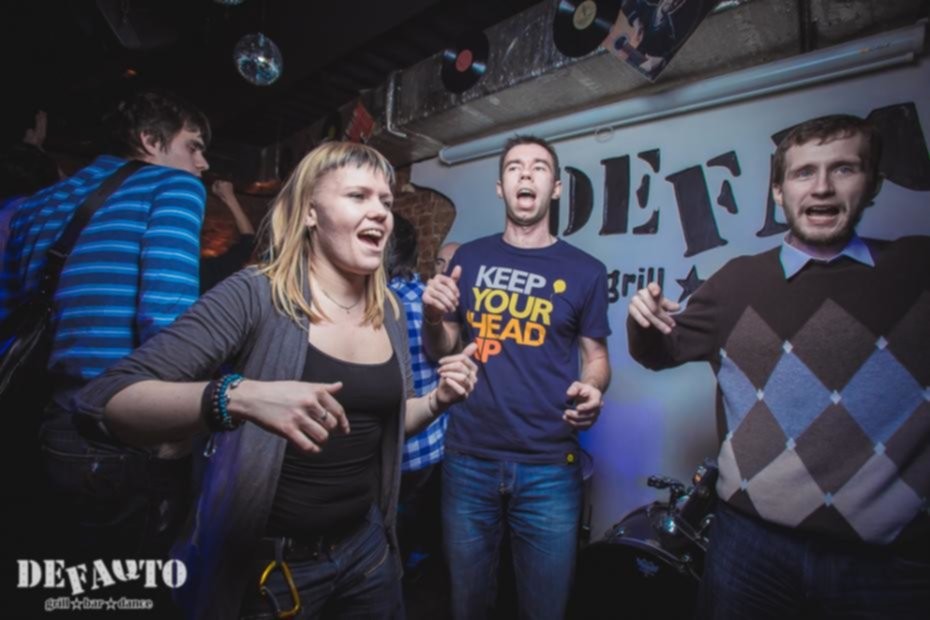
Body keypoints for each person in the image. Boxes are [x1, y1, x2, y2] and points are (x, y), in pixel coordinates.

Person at [72, 141, 479, 619]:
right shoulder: (256, 294)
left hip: (368, 555)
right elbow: (106, 400)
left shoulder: (385, 309)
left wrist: (437, 401)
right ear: (309, 212)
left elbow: (386, 422)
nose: (380, 213)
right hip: (276, 569)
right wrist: (238, 397)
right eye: (358, 196)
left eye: (385, 201)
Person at [627, 114, 930, 618]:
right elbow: (658, 353)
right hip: (749, 547)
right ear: (778, 191)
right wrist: (642, 321)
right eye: (804, 172)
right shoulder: (736, 283)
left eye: (844, 168)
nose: (822, 186)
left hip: (888, 564)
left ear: (873, 183)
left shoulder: (917, 271)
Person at [0, 89, 211, 560]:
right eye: (193, 146)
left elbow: (10, 315)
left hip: (45, 424)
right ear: (150, 140)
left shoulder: (36, 205)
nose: (202, 163)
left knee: (60, 572)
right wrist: (181, 427)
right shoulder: (172, 186)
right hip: (121, 433)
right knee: (131, 581)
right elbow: (169, 321)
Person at [422, 134, 612, 619]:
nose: (526, 174)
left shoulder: (587, 271)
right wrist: (433, 318)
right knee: (467, 604)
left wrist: (593, 387)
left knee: (544, 608)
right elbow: (442, 348)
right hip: (469, 458)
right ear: (500, 187)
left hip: (550, 465)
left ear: (556, 188)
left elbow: (596, 356)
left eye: (539, 167)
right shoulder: (468, 259)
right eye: (514, 167)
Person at [386, 215, 448, 573]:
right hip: (429, 446)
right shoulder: (429, 298)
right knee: (409, 525)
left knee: (381, 535)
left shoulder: (376, 302)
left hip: (388, 449)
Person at [200, 178, 257, 294]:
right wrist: (229, 197)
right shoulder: (204, 272)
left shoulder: (206, 271)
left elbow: (248, 242)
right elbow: (248, 242)